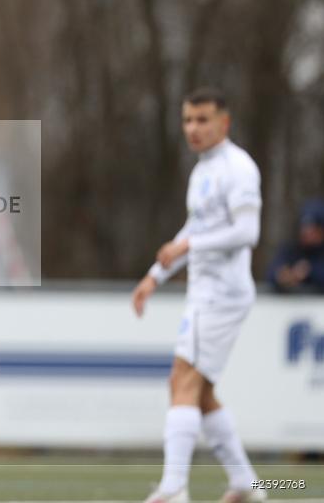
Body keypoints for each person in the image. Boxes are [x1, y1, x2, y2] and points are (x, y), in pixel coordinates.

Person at [131, 88, 265, 503]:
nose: (194, 128)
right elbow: (194, 230)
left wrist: (187, 249)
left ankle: (174, 487)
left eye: (203, 120)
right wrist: (156, 274)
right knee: (201, 393)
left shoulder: (238, 168)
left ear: (223, 123)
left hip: (222, 295)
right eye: (188, 120)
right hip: (205, 293)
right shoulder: (202, 171)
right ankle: (246, 483)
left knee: (181, 381)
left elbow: (248, 232)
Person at [266, 199, 324, 293]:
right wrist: (282, 275)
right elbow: (271, 272)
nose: (306, 233)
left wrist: (309, 271)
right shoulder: (291, 249)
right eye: (304, 227)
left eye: (313, 229)